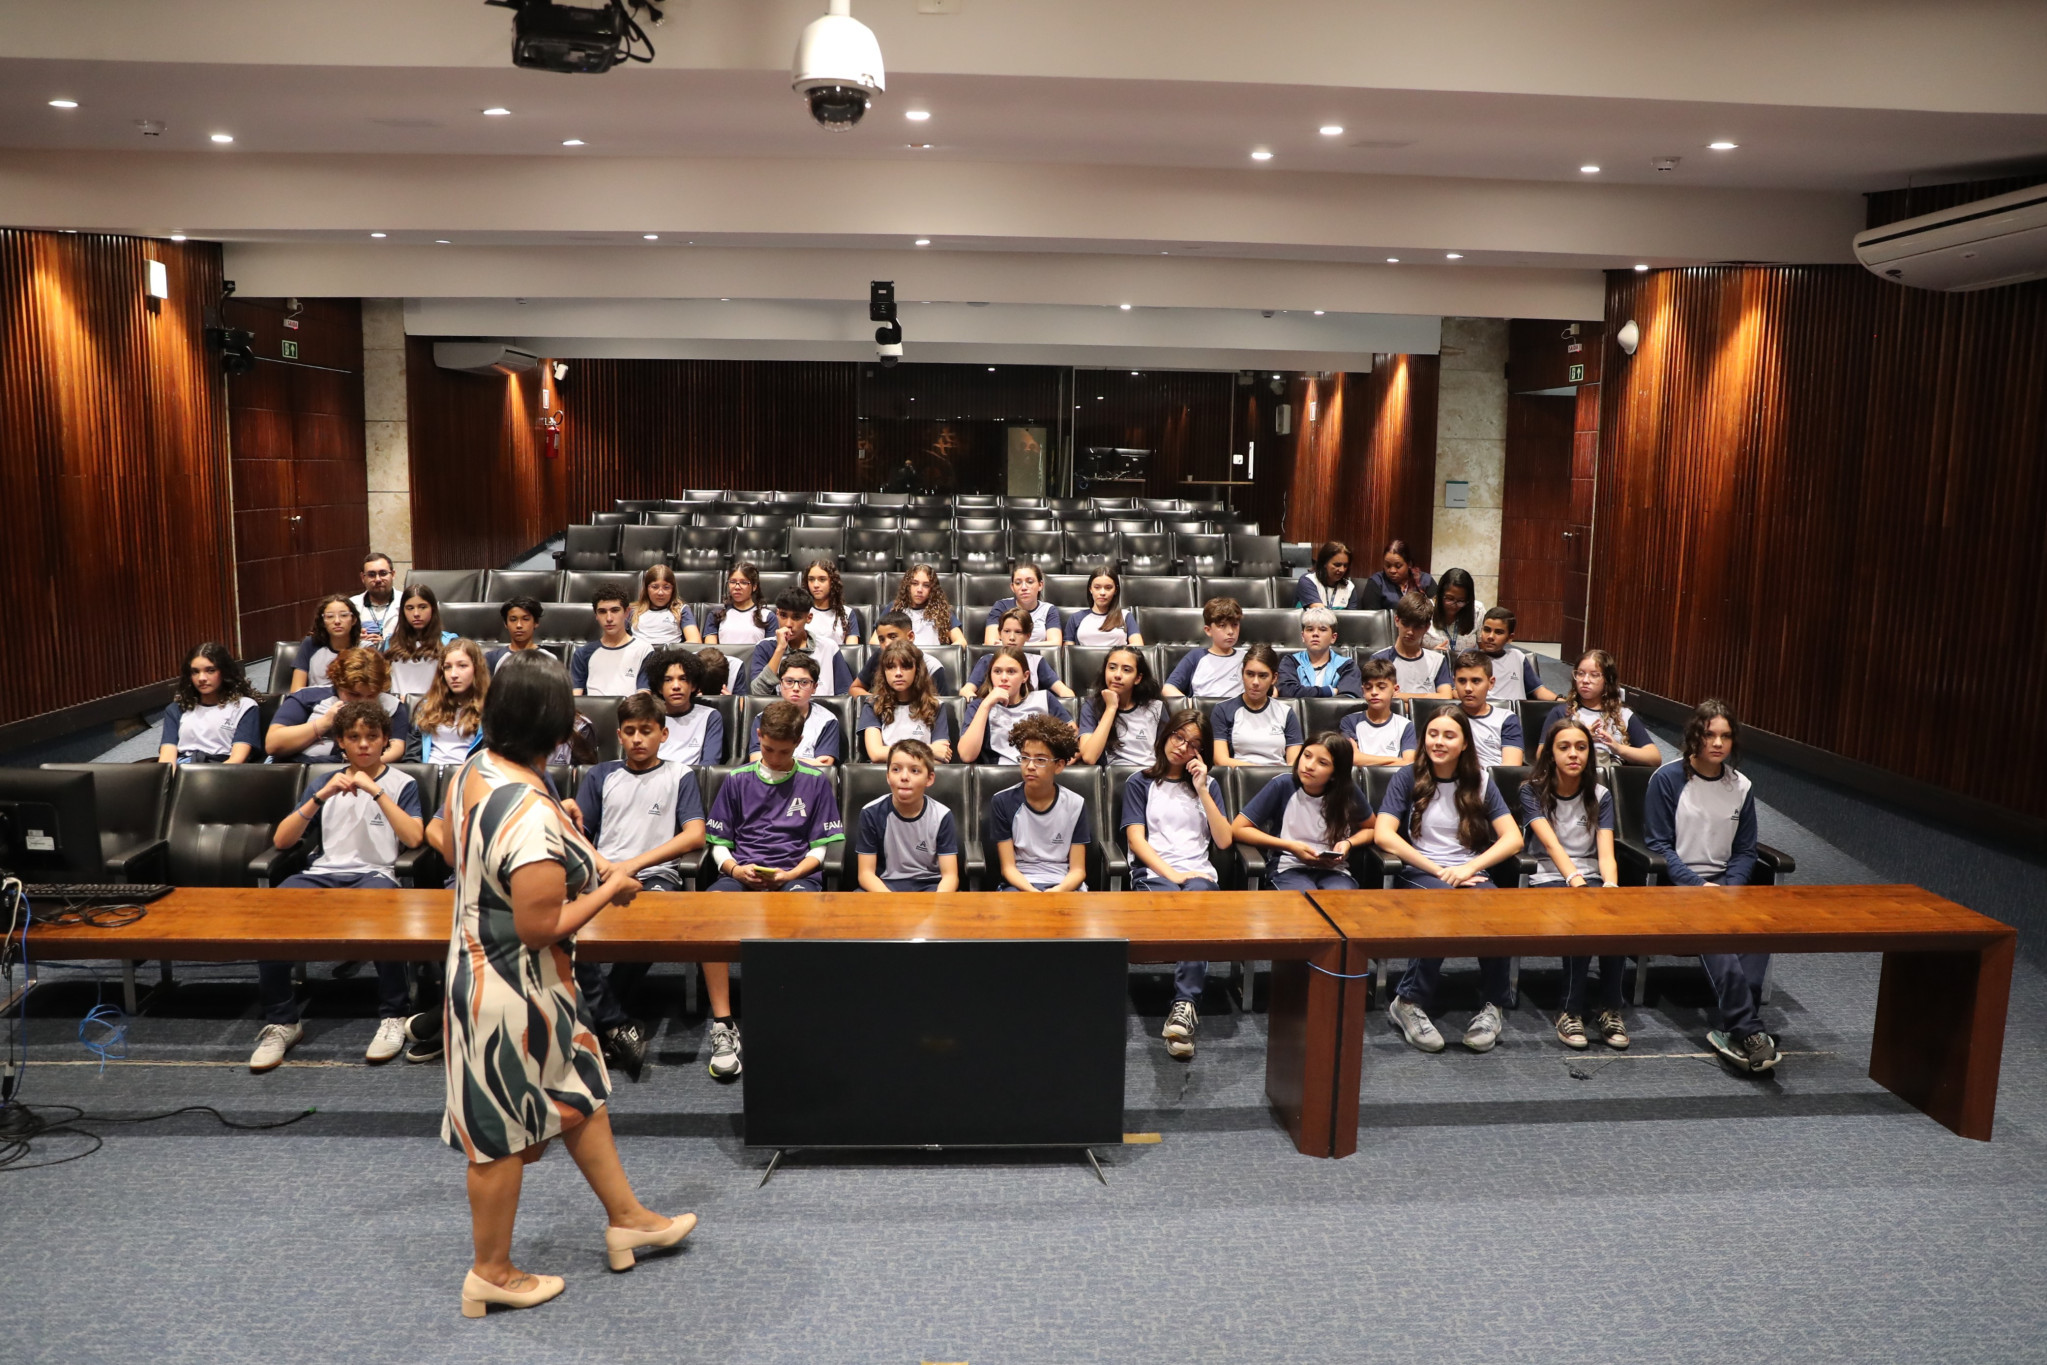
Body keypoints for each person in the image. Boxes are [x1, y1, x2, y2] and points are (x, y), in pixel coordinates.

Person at [437, 652, 694, 1318]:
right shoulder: (525, 808)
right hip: (505, 989)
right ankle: (489, 1271)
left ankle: (628, 1218)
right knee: (498, 1138)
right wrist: (607, 887)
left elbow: (451, 842)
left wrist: (583, 854)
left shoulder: (479, 767)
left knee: (580, 1090)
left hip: (532, 984)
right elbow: (538, 923)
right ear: (552, 726)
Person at [249, 699, 424, 1072]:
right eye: (354, 737)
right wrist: (320, 796)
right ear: (341, 743)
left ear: (384, 740)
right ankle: (283, 1021)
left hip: (375, 874)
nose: (363, 744)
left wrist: (375, 791)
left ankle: (393, 1014)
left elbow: (413, 837)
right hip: (322, 873)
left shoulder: (402, 782)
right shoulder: (321, 781)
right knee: (272, 914)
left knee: (383, 911)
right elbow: (282, 841)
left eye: (371, 737)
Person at [702, 700, 847, 1080]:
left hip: (794, 875)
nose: (775, 758)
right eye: (768, 749)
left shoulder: (816, 782)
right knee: (712, 913)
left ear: (798, 743)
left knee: (804, 915)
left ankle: (792, 1020)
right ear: (759, 737)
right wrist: (734, 868)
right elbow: (718, 842)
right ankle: (723, 1023)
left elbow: (821, 848)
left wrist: (789, 874)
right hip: (741, 872)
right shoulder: (737, 780)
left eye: (784, 752)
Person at [572, 692, 708, 1081]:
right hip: (601, 872)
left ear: (663, 734)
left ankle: (595, 1021)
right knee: (571, 933)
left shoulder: (679, 775)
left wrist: (631, 866)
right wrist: (608, 869)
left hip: (655, 876)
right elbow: (579, 835)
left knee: (651, 927)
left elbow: (694, 836)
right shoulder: (601, 774)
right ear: (619, 734)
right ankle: (615, 1025)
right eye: (629, 731)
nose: (637, 739)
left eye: (646, 731)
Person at [1375, 708, 1525, 1054]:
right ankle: (1408, 1002)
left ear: (1464, 743)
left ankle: (1492, 1006)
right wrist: (1437, 869)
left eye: (1449, 735)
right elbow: (1384, 835)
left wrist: (1469, 869)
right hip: (1420, 872)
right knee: (1441, 905)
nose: (1438, 742)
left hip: (1467, 873)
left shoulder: (1482, 779)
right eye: (1433, 734)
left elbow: (1512, 839)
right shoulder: (1407, 776)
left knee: (1495, 910)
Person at [1643, 699, 1777, 1075]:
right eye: (1709, 734)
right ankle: (1750, 1032)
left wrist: (1730, 888)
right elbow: (1658, 846)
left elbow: (1745, 849)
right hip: (1680, 886)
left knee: (1756, 937)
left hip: (1726, 887)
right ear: (1694, 737)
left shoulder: (1741, 785)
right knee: (1720, 941)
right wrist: (1699, 885)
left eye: (1726, 736)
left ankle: (1735, 1030)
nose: (1718, 743)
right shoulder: (1667, 780)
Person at [1121, 708, 1234, 1061]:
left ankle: (1183, 1006)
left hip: (1199, 876)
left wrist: (1201, 789)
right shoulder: (1139, 782)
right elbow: (1137, 842)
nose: (1182, 748)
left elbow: (1225, 840)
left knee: (1197, 905)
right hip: (1156, 876)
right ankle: (1185, 1006)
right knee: (1189, 909)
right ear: (1166, 735)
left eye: (1193, 745)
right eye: (1178, 737)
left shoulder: (1210, 786)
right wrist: (1172, 875)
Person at [1520, 717, 1627, 1052]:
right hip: (1548, 876)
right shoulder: (1531, 790)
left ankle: (1610, 1007)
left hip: (1590, 877)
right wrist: (1577, 884)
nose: (1573, 754)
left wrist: (1610, 888)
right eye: (1564, 747)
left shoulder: (1601, 794)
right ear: (1551, 754)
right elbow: (1551, 845)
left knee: (1616, 920)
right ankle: (1570, 1009)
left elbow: (1607, 853)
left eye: (1581, 747)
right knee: (1579, 918)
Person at [1231, 733, 1374, 891]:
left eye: (1322, 763)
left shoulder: (1348, 792)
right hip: (1288, 866)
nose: (1309, 765)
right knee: (1304, 901)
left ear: (1335, 774)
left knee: (1339, 901)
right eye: (1307, 756)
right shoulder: (1282, 784)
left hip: (1334, 870)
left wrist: (1348, 843)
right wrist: (1290, 846)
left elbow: (1372, 828)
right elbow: (1238, 829)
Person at [987, 714, 1091, 893]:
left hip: (1063, 884)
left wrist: (1057, 891)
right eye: (1025, 758)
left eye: (1040, 760)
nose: (1030, 766)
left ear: (1059, 766)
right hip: (1020, 884)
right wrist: (1033, 893)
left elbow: (1078, 870)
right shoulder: (1002, 801)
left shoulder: (1075, 804)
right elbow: (1008, 868)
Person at [267, 647, 411, 764]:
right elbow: (273, 744)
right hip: (303, 766)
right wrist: (324, 723)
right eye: (354, 695)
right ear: (338, 684)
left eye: (371, 695)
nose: (362, 701)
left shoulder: (391, 706)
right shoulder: (306, 697)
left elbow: (397, 748)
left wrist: (366, 764)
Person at [854, 739, 961, 893]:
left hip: (930, 887)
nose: (904, 777)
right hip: (884, 888)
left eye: (915, 771)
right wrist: (893, 902)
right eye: (896, 769)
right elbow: (865, 874)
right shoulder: (870, 812)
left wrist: (937, 904)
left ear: (929, 778)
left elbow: (950, 876)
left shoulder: (942, 815)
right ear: (887, 776)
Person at [1540, 649, 1659, 765]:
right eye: (1580, 674)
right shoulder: (1563, 712)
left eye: (1594, 675)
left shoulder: (1623, 715)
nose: (1585, 680)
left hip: (1612, 775)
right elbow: (1541, 755)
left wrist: (1617, 748)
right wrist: (1580, 736)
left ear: (1607, 680)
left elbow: (1654, 757)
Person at [958, 646, 1073, 764]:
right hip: (998, 778)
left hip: (1039, 775)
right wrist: (986, 705)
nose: (1003, 678)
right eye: (997, 671)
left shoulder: (1044, 699)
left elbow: (1074, 743)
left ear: (1025, 676)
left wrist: (1053, 769)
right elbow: (967, 755)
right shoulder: (979, 706)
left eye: (1011, 671)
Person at [159, 642, 261, 763]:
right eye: (195, 672)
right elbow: (167, 759)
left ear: (224, 672)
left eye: (210, 670)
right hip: (184, 768)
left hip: (222, 771)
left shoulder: (244, 706)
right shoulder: (177, 708)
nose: (201, 678)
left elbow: (237, 759)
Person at [857, 639, 954, 762]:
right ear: (884, 672)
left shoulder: (936, 706)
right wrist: (928, 749)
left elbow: (941, 756)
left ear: (917, 670)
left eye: (905, 666)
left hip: (922, 779)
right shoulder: (872, 705)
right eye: (891, 667)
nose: (898, 673)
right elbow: (876, 754)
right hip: (884, 777)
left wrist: (892, 753)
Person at [746, 588, 854, 697]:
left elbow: (845, 694)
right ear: (777, 614)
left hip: (821, 709)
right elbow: (758, 693)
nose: (788, 623)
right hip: (781, 711)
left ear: (809, 618)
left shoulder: (829, 647)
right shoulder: (765, 647)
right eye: (783, 615)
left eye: (796, 617)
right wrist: (779, 649)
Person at [1211, 644, 1303, 766]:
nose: (1255, 682)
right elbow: (1220, 760)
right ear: (1242, 674)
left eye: (1262, 676)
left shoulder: (1286, 713)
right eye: (1250, 674)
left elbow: (1294, 764)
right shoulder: (1222, 710)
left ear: (1274, 678)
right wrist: (1259, 774)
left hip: (1279, 780)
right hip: (1239, 781)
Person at [1077, 645, 1168, 765]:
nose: (1117, 675)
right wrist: (1111, 708)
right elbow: (1089, 757)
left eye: (1126, 670)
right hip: (1112, 779)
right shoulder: (1091, 707)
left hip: (1148, 777)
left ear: (1138, 678)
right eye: (1112, 668)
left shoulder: (1156, 708)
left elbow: (1166, 757)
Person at [746, 653, 842, 765]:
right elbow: (756, 761)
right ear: (780, 684)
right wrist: (810, 762)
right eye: (789, 681)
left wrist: (774, 761)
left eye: (804, 682)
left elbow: (824, 765)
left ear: (814, 687)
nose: (796, 688)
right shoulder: (763, 717)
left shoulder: (827, 720)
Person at [408, 639, 491, 766]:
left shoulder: (490, 710)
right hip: (428, 778)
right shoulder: (425, 707)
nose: (453, 674)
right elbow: (412, 756)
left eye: (462, 666)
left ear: (476, 669)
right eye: (447, 667)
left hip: (466, 778)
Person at [962, 609, 1073, 699]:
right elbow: (966, 690)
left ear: (1028, 636)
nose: (1011, 637)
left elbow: (1064, 692)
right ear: (1000, 633)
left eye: (1018, 632)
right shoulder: (987, 660)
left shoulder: (1037, 661)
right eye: (1007, 631)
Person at [645, 648, 725, 766]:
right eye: (668, 680)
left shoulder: (710, 716)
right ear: (659, 688)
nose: (676, 686)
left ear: (693, 685)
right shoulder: (647, 716)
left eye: (683, 679)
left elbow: (709, 766)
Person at [570, 588, 656, 697]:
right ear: (596, 615)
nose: (609, 618)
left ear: (627, 612)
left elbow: (643, 697)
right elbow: (576, 698)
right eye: (602, 612)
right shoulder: (582, 653)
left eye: (615, 610)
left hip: (631, 713)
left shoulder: (644, 650)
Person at [1449, 650, 1526, 767]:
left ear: (1491, 683)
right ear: (1454, 682)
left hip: (1495, 782)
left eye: (1476, 681)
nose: (1468, 688)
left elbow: (1510, 768)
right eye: (1462, 681)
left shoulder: (1507, 719)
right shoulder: (1446, 718)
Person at [1370, 592, 1453, 698]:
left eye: (1417, 627)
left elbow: (1445, 697)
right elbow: (1377, 698)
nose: (1410, 632)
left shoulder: (1438, 661)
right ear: (1397, 621)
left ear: (1427, 627)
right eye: (1406, 624)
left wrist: (1400, 696)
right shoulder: (1379, 659)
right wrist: (1428, 697)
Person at [1162, 597, 1245, 699]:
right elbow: (1168, 688)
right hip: (1203, 713)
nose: (1230, 631)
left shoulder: (1246, 658)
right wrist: (1192, 705)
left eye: (1235, 625)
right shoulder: (1196, 657)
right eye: (1222, 625)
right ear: (1208, 630)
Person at [851, 611, 951, 696]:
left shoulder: (932, 666)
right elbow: (855, 688)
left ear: (910, 636)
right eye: (881, 639)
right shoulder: (879, 656)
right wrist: (879, 701)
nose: (886, 644)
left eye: (893, 637)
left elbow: (941, 706)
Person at [1341, 657, 1417, 768]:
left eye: (1381, 687)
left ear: (1395, 690)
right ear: (1363, 691)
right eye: (1368, 688)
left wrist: (1365, 760)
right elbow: (1353, 758)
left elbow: (1409, 763)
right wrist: (1396, 760)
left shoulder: (1406, 725)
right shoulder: (1349, 721)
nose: (1374, 692)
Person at [385, 583, 458, 696]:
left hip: (435, 707)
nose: (416, 614)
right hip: (399, 708)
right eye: (410, 608)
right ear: (403, 612)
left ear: (432, 609)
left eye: (423, 607)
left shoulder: (449, 642)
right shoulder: (390, 642)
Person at [1277, 604, 1362, 698]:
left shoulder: (1347, 666)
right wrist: (1330, 691)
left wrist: (1303, 692)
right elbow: (1287, 692)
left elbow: (1348, 700)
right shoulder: (1291, 662)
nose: (1315, 634)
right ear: (1303, 636)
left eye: (1322, 629)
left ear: (1333, 638)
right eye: (1310, 629)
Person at [1475, 607, 1557, 702]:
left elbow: (1538, 691)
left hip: (1517, 714)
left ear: (1510, 637)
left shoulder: (1518, 656)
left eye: (1499, 632)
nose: (1490, 637)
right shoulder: (1471, 658)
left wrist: (1559, 699)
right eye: (1487, 630)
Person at [289, 594, 362, 693]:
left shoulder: (365, 648)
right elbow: (296, 691)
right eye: (330, 616)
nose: (337, 621)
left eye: (344, 615)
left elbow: (370, 691)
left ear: (353, 620)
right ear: (323, 622)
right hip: (313, 703)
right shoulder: (310, 644)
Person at [981, 561, 1063, 645]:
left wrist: (1021, 645)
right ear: (1012, 587)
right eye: (1018, 583)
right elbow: (990, 643)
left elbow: (1055, 644)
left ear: (1040, 585)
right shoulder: (1001, 606)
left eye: (1030, 582)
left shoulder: (1049, 609)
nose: (1024, 587)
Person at [892, 562, 968, 647]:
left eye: (926, 585)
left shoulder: (941, 610)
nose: (920, 589)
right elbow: (875, 641)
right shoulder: (895, 607)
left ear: (932, 589)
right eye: (915, 583)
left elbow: (961, 641)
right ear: (907, 586)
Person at [1064, 566, 1144, 646]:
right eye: (1097, 587)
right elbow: (1068, 651)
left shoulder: (1125, 615)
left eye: (1108, 588)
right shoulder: (1076, 618)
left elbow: (1138, 644)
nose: (1102, 592)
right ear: (1090, 589)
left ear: (1115, 590)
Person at [704, 562, 774, 651]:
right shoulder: (716, 615)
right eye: (732, 582)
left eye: (744, 582)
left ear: (754, 586)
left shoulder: (768, 616)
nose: (737, 587)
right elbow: (710, 653)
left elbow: (770, 653)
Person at [630, 565, 701, 647]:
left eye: (666, 587)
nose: (660, 593)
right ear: (646, 589)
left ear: (673, 590)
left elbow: (695, 641)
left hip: (670, 657)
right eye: (655, 587)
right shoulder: (632, 610)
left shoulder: (681, 610)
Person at [801, 558, 863, 651]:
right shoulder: (799, 611)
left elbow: (851, 651)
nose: (816, 585)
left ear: (832, 582)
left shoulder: (847, 613)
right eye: (811, 579)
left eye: (822, 579)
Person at [1359, 538, 1435, 611]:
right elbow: (1371, 619)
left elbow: (1438, 612)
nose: (1392, 570)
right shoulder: (1376, 582)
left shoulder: (1425, 580)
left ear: (1409, 564)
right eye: (1388, 565)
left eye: (1398, 566)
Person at [1425, 567, 1484, 656]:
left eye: (1461, 601)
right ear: (1440, 595)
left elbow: (1484, 649)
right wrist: (1431, 654)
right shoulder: (1426, 609)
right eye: (1449, 599)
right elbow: (1410, 650)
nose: (1454, 605)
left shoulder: (1477, 610)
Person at [351, 551, 403, 648]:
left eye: (383, 573)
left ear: (393, 574)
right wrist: (352, 639)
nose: (378, 579)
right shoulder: (351, 605)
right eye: (371, 574)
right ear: (363, 577)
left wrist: (386, 644)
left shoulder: (407, 603)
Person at [486, 597, 549, 673]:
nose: (519, 625)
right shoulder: (491, 658)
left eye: (526, 619)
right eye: (513, 620)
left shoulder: (548, 658)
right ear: (505, 624)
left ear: (536, 622)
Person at [1294, 541, 1359, 609]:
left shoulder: (1349, 587)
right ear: (1324, 563)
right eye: (1337, 565)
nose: (1342, 569)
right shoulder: (1308, 581)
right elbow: (1319, 613)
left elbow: (1351, 618)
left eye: (1345, 565)